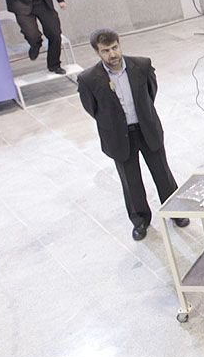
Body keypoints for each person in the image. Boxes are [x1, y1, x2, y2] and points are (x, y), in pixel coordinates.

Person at [78, 28, 188, 241]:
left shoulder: (142, 65)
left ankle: (175, 211)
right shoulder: (88, 79)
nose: (112, 54)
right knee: (131, 181)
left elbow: (150, 93)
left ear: (120, 44)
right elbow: (93, 109)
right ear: (97, 52)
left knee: (163, 173)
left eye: (115, 47)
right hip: (119, 136)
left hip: (146, 129)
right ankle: (140, 221)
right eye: (106, 50)